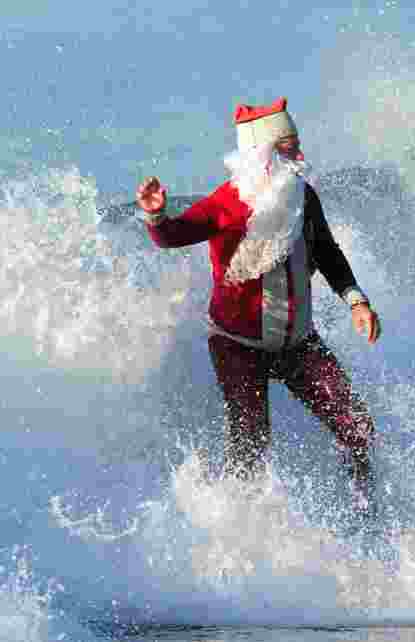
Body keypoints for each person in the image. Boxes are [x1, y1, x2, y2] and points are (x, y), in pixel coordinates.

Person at [135, 97, 381, 506]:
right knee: (250, 444)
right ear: (262, 153)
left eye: (296, 143)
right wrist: (157, 217)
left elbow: (327, 252)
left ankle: (365, 507)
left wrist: (356, 301)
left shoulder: (304, 197)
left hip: (298, 344)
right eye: (287, 146)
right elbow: (175, 235)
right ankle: (237, 524)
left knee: (357, 427)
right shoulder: (227, 202)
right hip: (238, 346)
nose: (299, 153)